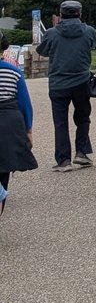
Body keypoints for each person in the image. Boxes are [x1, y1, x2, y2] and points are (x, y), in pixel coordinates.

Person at [36, 0, 96, 171]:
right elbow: (93, 45)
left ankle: (63, 160)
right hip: (81, 81)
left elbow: (41, 51)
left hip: (58, 82)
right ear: (79, 13)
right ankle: (82, 152)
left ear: (61, 14)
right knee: (83, 117)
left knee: (60, 122)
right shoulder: (89, 31)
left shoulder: (51, 33)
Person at [0, 38, 38, 215]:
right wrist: (28, 129)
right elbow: (24, 104)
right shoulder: (13, 71)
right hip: (9, 122)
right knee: (3, 172)